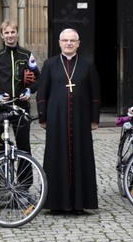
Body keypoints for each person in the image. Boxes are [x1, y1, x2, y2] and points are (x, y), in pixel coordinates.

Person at [36, 28, 101, 215]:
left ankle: (80, 203)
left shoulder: (87, 65)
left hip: (81, 120)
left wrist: (94, 119)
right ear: (59, 43)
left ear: (78, 43)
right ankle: (56, 203)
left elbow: (95, 93)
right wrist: (43, 117)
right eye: (65, 40)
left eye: (72, 40)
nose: (69, 43)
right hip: (56, 120)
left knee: (82, 157)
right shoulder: (50, 64)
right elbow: (42, 92)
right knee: (56, 158)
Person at [0, 20, 39, 158]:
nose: (10, 35)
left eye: (12, 32)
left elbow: (40, 78)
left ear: (17, 33)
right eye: (6, 32)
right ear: (2, 35)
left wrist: (29, 91)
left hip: (20, 107)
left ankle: (26, 180)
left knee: (24, 146)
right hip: (0, 108)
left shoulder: (26, 55)